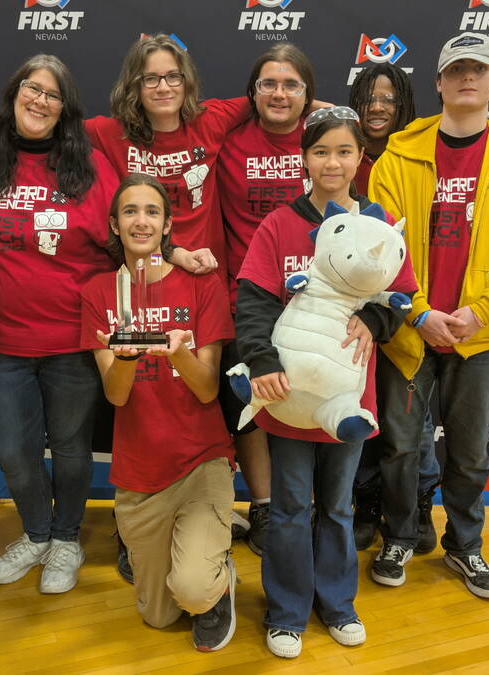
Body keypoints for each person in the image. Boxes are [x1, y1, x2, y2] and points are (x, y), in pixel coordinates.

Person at [366, 32, 489, 599]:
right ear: (439, 83)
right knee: (400, 448)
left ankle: (465, 546)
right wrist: (420, 313)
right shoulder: (396, 157)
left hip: (480, 337)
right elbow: (382, 249)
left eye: (479, 69)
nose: (467, 77)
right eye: (456, 69)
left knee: (470, 454)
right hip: (409, 334)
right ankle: (400, 536)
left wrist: (481, 312)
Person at [0, 54, 120, 594]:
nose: (40, 100)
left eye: (52, 94)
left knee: (71, 447)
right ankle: (37, 533)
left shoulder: (90, 166)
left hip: (72, 340)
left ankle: (66, 538)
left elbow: (127, 232)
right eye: (31, 89)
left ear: (66, 108)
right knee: (14, 453)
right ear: (13, 95)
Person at [235, 109, 415, 658]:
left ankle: (337, 603)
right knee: (291, 506)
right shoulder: (279, 224)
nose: (331, 163)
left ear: (360, 158)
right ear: (304, 158)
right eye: (320, 152)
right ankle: (287, 611)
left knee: (337, 506)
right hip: (288, 396)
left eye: (343, 151)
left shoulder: (379, 223)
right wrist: (262, 361)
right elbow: (252, 300)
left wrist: (376, 320)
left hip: (347, 400)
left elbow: (401, 295)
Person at [80, 173, 238, 652]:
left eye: (152, 211)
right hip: (140, 472)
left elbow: (208, 390)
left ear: (168, 225)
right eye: (130, 211)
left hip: (199, 461)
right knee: (158, 615)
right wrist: (126, 359)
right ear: (115, 224)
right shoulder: (99, 293)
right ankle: (198, 550)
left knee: (191, 590)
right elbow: (116, 397)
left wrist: (179, 353)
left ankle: (217, 579)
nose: (141, 221)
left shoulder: (201, 285)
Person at [0, 34, 254, 275]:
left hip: (204, 270)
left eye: (173, 77)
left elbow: (270, 99)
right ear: (135, 85)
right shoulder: (109, 132)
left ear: (186, 81)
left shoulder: (212, 119)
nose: (163, 87)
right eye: (150, 79)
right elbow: (46, 120)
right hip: (142, 274)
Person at [214, 42, 317, 557]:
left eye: (291, 85)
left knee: (308, 403)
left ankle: (306, 507)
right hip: (248, 301)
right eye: (268, 84)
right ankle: (263, 505)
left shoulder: (324, 139)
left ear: (307, 94)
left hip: (318, 305)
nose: (279, 94)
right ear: (252, 92)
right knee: (251, 406)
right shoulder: (227, 140)